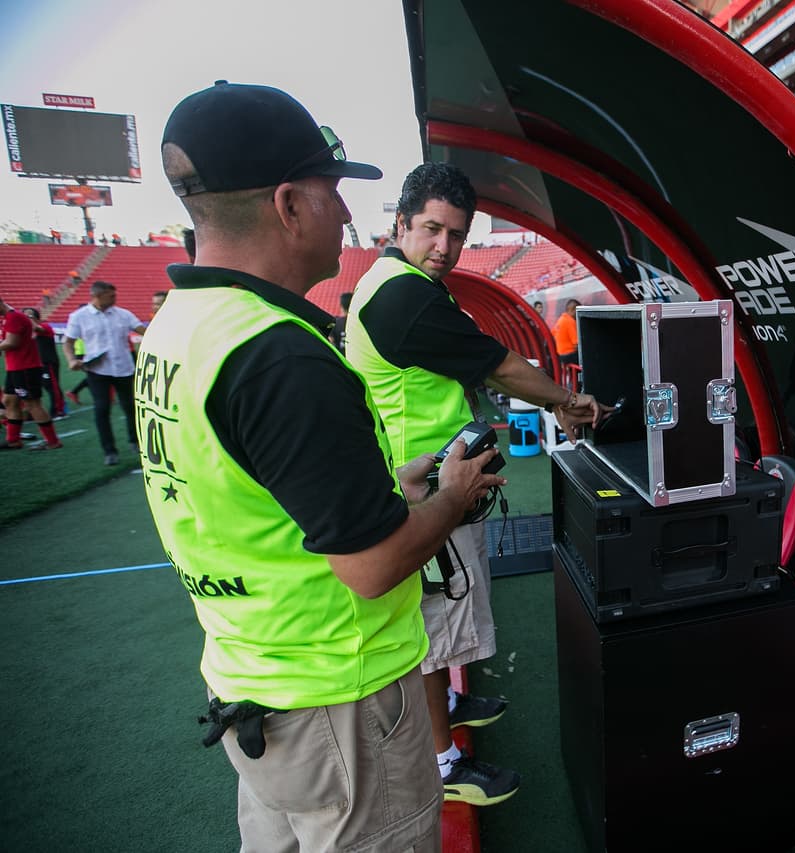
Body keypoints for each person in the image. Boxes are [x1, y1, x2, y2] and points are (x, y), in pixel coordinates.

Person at [150, 80, 505, 853]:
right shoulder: (279, 353)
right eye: (333, 191)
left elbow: (262, 496)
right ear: (286, 204)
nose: (347, 214)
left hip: (254, 687)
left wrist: (393, 486)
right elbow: (375, 565)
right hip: (338, 699)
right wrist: (449, 495)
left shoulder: (177, 329)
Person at [344, 162, 609, 807]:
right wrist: (565, 402)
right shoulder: (402, 295)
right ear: (400, 223)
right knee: (433, 633)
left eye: (457, 235)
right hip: (426, 491)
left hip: (430, 481)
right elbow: (500, 365)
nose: (444, 246)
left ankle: (452, 706)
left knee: (438, 628)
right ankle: (443, 765)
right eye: (432, 229)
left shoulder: (393, 282)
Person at [61, 280, 146, 465]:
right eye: (111, 295)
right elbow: (68, 342)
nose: (115, 298)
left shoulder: (123, 314)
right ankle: (109, 451)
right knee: (102, 409)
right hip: (97, 370)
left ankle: (136, 441)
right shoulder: (79, 316)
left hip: (124, 368)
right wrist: (71, 360)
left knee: (131, 407)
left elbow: (144, 331)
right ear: (97, 296)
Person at [0, 296, 62, 450]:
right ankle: (13, 440)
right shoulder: (9, 318)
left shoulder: (14, 318)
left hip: (25, 368)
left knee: (33, 404)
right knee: (9, 401)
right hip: (15, 367)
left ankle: (52, 441)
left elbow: (11, 343)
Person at [22, 307, 65, 418]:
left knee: (51, 387)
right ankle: (31, 413)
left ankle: (58, 411)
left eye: (28, 316)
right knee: (33, 388)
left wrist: (29, 317)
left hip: (48, 362)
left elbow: (36, 328)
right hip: (35, 364)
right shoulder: (29, 331)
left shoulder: (45, 327)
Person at [553, 298, 581, 367]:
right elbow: (576, 344)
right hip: (569, 356)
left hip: (561, 356)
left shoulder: (561, 319)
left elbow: (553, 335)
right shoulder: (570, 321)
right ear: (574, 309)